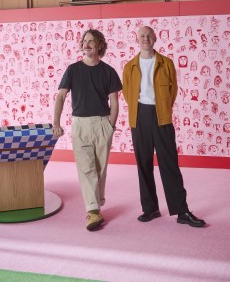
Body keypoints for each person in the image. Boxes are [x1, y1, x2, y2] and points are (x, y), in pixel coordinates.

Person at [122, 26, 206, 228]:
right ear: (137, 39)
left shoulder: (166, 63)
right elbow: (127, 92)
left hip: (162, 116)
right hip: (139, 116)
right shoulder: (130, 66)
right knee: (143, 163)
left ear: (155, 38)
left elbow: (173, 90)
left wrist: (163, 110)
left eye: (149, 35)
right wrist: (140, 110)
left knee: (169, 163)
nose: (146, 38)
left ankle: (182, 211)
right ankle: (150, 209)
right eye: (142, 35)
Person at [53, 29, 122, 231]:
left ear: (100, 45)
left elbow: (115, 101)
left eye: (92, 41)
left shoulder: (109, 71)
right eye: (85, 41)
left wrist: (110, 125)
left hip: (103, 123)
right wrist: (56, 123)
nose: (87, 44)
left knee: (100, 169)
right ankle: (92, 211)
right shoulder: (73, 70)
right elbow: (60, 96)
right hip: (80, 124)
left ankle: (96, 204)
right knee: (86, 169)